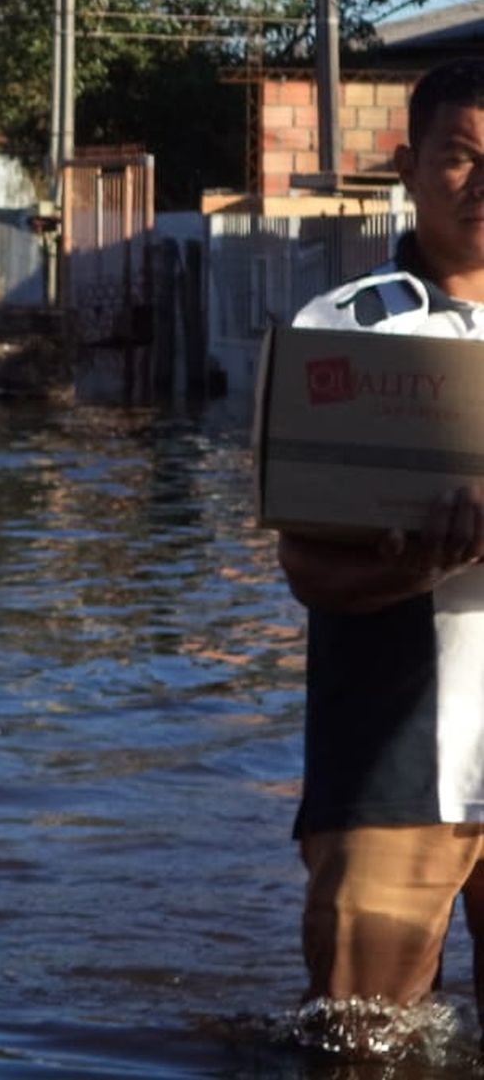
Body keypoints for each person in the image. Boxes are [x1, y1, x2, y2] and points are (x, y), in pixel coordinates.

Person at [276, 57, 484, 1022]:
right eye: (459, 157)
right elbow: (305, 563)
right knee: (364, 1046)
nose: (483, 184)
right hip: (390, 774)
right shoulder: (347, 336)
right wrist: (427, 558)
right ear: (407, 165)